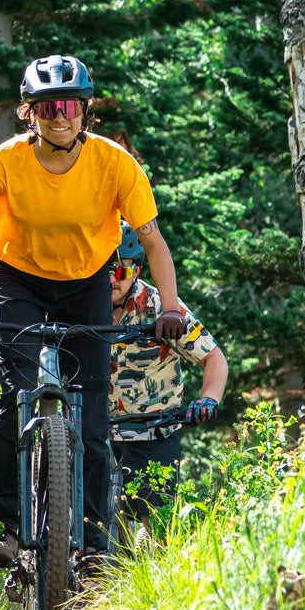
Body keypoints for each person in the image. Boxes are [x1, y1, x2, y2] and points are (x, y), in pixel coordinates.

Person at [0, 55, 188, 567]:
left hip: (86, 282)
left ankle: (90, 545)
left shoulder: (114, 164)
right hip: (17, 280)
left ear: (85, 112)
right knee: (16, 395)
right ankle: (12, 529)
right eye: (45, 107)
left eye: (68, 106)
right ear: (29, 114)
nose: (58, 116)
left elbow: (152, 239)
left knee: (91, 415)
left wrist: (170, 309)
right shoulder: (1, 165)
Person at [107, 221, 228, 525]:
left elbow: (214, 357)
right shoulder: (79, 307)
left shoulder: (161, 304)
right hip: (95, 433)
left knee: (155, 529)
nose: (111, 279)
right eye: (104, 270)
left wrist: (208, 400)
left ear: (135, 271)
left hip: (153, 431)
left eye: (120, 271)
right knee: (83, 529)